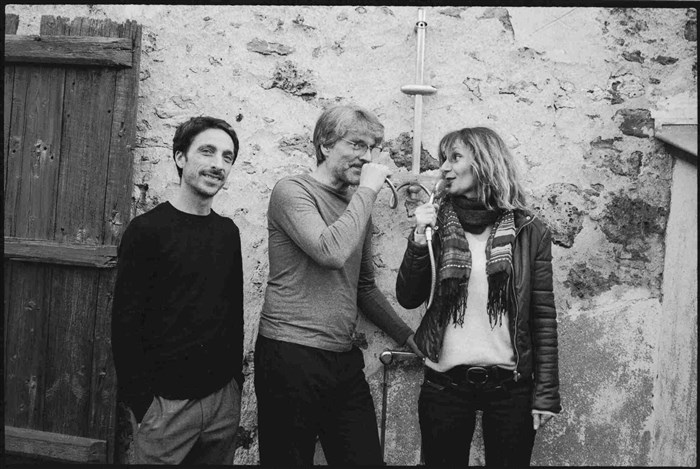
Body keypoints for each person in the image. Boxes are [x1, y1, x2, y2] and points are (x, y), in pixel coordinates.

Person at [255, 104, 424, 466]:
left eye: (373, 148)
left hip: (342, 359)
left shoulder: (356, 206)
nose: (367, 157)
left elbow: (363, 287)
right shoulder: (292, 191)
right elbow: (329, 251)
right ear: (325, 144)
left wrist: (408, 337)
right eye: (357, 145)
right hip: (290, 353)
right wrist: (368, 191)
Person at [396, 127, 561, 467]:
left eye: (455, 158)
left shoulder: (528, 230)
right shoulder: (437, 225)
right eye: (443, 159)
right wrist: (418, 239)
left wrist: (545, 393)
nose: (444, 168)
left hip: (510, 388)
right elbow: (409, 297)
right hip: (444, 386)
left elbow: (542, 315)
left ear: (485, 163)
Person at [111, 116, 244, 464]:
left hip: (222, 404)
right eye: (207, 151)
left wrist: (235, 385)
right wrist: (143, 405)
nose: (218, 164)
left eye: (227, 157)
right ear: (180, 157)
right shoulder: (147, 230)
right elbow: (125, 324)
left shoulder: (227, 233)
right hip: (165, 409)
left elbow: (234, 314)